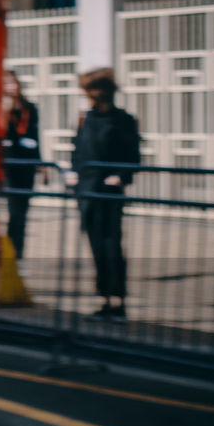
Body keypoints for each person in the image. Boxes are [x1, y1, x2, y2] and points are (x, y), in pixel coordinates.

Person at [67, 67, 140, 321]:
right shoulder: (85, 119)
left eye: (96, 91)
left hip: (109, 193)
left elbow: (132, 156)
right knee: (96, 246)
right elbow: (77, 151)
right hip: (87, 192)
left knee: (112, 244)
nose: (92, 96)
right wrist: (73, 173)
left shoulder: (123, 120)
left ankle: (118, 300)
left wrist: (120, 175)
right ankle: (105, 299)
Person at [1, 69, 42, 263]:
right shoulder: (0, 109)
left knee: (21, 214)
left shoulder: (30, 108)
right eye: (8, 83)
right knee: (13, 212)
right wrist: (6, 110)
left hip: (27, 165)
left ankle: (18, 257)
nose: (13, 87)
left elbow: (35, 137)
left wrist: (40, 164)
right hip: (9, 165)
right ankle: (8, 258)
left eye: (15, 83)